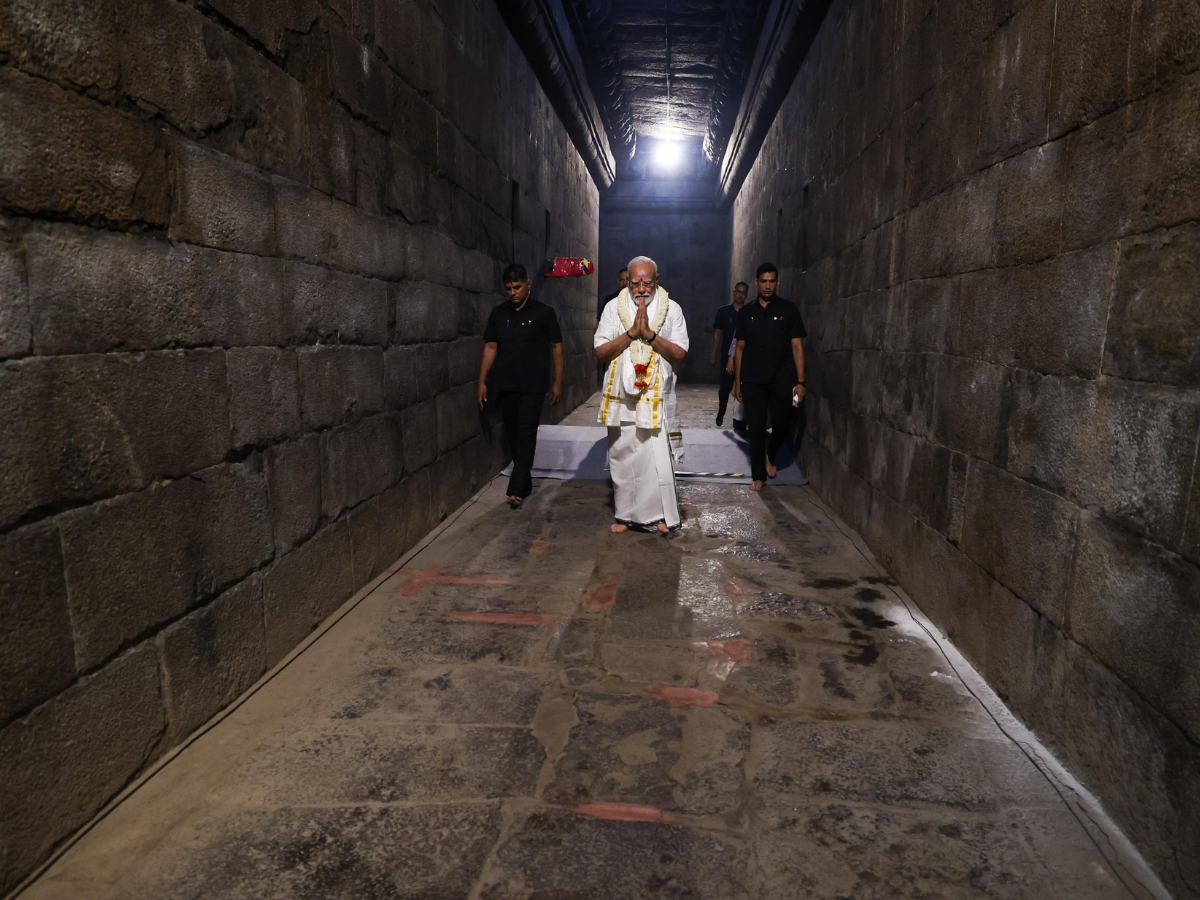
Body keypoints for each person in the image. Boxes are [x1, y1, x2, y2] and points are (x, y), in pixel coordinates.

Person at [594, 256, 689, 533]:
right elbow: (599, 353)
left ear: (657, 281)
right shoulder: (613, 308)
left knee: (653, 457)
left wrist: (649, 335)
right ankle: (624, 515)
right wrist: (631, 333)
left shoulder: (672, 310)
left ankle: (658, 516)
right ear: (627, 281)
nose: (641, 289)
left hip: (655, 397)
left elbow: (680, 354)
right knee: (623, 455)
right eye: (635, 283)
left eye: (647, 282)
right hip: (621, 398)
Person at [478, 264, 564, 508]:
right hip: (505, 385)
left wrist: (558, 381)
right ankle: (524, 482)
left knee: (526, 433)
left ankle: (515, 488)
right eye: (508, 288)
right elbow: (490, 347)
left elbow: (557, 346)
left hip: (533, 386)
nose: (512, 292)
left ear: (528, 285)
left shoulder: (544, 313)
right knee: (514, 435)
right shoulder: (498, 314)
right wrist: (481, 380)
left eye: (517, 287)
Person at [734, 262, 806, 491]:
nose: (767, 286)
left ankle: (771, 454)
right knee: (755, 427)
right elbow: (740, 349)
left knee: (783, 423)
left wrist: (801, 382)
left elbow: (797, 347)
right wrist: (738, 383)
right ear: (756, 282)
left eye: (771, 281)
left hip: (782, 378)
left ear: (777, 282)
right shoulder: (746, 313)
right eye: (763, 281)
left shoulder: (788, 310)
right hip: (753, 379)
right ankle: (758, 476)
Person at [710, 281, 748, 428]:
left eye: (743, 292)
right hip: (727, 355)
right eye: (738, 291)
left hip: (744, 358)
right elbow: (717, 333)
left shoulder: (748, 312)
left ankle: (738, 420)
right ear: (734, 292)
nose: (740, 294)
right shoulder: (723, 311)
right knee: (725, 387)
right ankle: (721, 411)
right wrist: (713, 353)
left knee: (742, 387)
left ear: (746, 295)